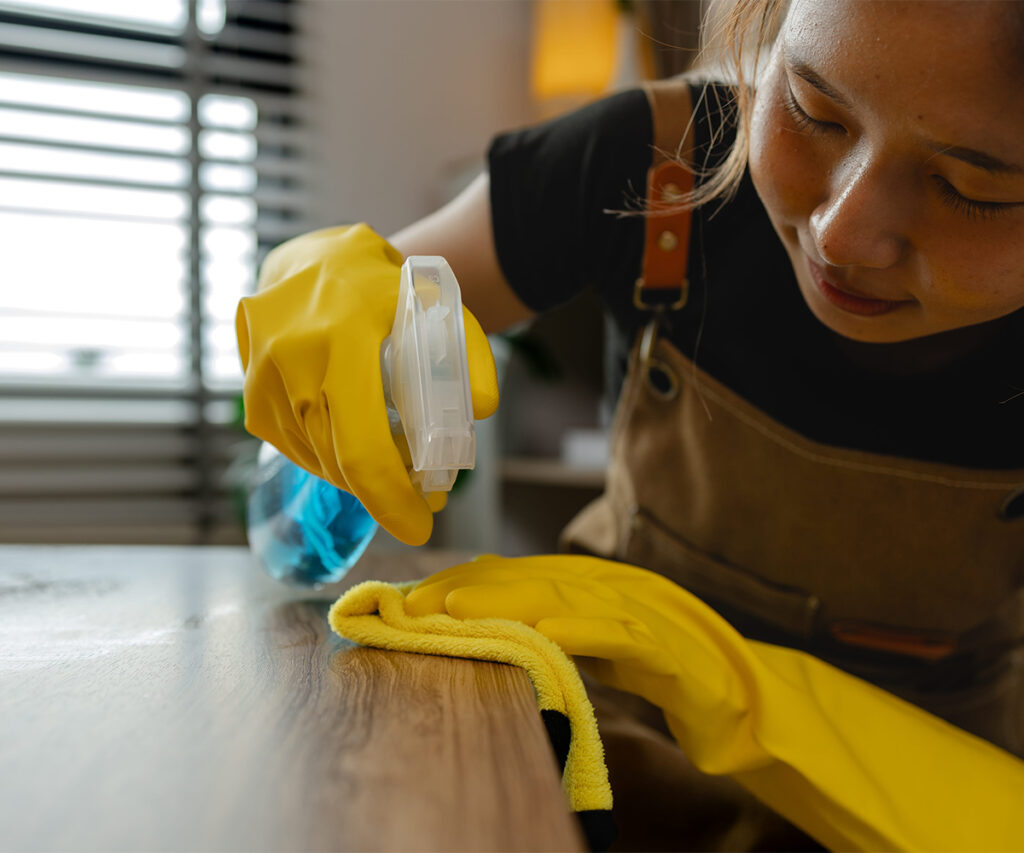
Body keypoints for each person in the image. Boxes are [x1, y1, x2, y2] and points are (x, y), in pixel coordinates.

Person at [236, 0, 1024, 848]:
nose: (842, 232)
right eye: (812, 109)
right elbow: (406, 288)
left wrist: (736, 685)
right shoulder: (656, 163)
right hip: (613, 764)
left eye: (971, 187)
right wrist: (335, 282)